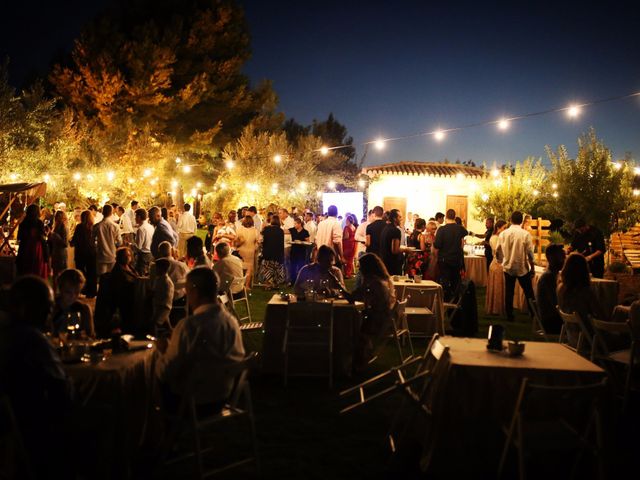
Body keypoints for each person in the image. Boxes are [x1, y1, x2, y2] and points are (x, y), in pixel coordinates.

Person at [0, 276, 74, 478]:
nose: (50, 313)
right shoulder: (34, 340)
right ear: (25, 307)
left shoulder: (7, 333)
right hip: (38, 429)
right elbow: (63, 393)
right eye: (46, 307)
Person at [155, 267, 245, 410]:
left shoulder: (189, 326)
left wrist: (162, 352)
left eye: (187, 290)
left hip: (193, 401)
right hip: (223, 396)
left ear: (195, 292)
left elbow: (165, 372)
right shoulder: (231, 321)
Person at [342, 253, 396, 371]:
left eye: (361, 267)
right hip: (386, 319)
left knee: (348, 328)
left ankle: (350, 364)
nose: (360, 269)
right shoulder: (384, 280)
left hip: (376, 323)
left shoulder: (372, 282)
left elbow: (353, 297)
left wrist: (338, 286)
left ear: (368, 268)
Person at [557, 253, 606, 345]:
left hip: (572, 337)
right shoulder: (585, 292)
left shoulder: (560, 288)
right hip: (590, 339)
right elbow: (602, 317)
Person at [495, 211, 535, 322]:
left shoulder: (503, 234)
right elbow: (530, 253)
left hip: (508, 267)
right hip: (522, 267)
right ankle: (533, 314)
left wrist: (501, 261)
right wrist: (533, 267)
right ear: (521, 221)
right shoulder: (525, 234)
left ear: (511, 220)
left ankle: (509, 315)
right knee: (529, 292)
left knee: (509, 291)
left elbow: (497, 251)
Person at [433, 209, 468, 300]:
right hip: (456, 259)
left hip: (444, 259)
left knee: (445, 280)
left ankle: (445, 300)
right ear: (455, 217)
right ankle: (455, 300)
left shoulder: (442, 229)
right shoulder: (460, 228)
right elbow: (466, 232)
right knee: (455, 280)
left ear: (446, 218)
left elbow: (437, 245)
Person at [51, 268, 95, 337]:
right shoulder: (51, 307)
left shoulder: (84, 309)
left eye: (76, 292)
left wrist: (83, 336)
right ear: (60, 289)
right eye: (68, 292)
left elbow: (90, 335)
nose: (73, 296)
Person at [535, 243, 566, 334]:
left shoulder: (552, 275)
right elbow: (556, 304)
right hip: (552, 322)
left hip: (553, 318)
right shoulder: (549, 277)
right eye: (562, 257)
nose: (564, 260)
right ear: (553, 258)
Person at [16, 204, 49, 279]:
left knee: (25, 268)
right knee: (35, 269)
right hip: (36, 248)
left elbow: (19, 237)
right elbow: (42, 236)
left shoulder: (23, 223)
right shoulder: (39, 223)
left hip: (24, 247)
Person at [110, 246, 138, 332]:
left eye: (129, 255)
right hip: (124, 298)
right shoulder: (118, 270)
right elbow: (120, 285)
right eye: (125, 256)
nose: (128, 257)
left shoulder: (129, 267)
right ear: (120, 257)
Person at [70, 210, 97, 297]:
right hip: (92, 253)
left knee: (80, 272)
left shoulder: (79, 227)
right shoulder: (94, 227)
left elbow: (74, 240)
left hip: (80, 253)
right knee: (92, 272)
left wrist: (70, 241)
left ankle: (83, 289)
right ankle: (92, 292)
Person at [485, 220, 508, 316]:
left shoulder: (499, 238)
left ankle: (499, 308)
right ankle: (496, 309)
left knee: (499, 287)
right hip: (497, 264)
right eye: (504, 228)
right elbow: (497, 252)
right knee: (497, 288)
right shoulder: (495, 238)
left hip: (498, 264)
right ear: (498, 228)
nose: (505, 230)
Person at [91, 204, 121, 276]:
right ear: (111, 213)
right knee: (111, 278)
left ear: (102, 212)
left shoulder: (97, 226)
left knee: (102, 278)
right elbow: (120, 242)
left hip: (101, 255)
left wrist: (97, 246)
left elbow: (92, 242)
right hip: (112, 255)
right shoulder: (115, 226)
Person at [259, 215, 286, 289]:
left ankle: (268, 285)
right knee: (276, 269)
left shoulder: (266, 229)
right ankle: (275, 284)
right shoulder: (281, 231)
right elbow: (282, 243)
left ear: (272, 221)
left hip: (268, 252)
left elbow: (262, 240)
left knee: (267, 268)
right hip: (278, 253)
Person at [152, 258, 174, 335]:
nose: (155, 270)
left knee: (154, 323)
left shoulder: (166, 281)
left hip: (164, 306)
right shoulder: (159, 279)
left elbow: (168, 296)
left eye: (157, 268)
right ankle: (173, 335)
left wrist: (162, 305)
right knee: (167, 325)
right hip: (159, 305)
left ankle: (155, 338)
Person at [235, 215, 259, 288]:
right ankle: (247, 286)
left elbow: (236, 240)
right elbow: (258, 241)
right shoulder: (255, 230)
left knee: (240, 268)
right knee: (249, 269)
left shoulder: (239, 229)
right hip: (250, 251)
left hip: (240, 250)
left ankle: (239, 285)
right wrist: (255, 248)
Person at [379, 209, 404, 276]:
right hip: (393, 264)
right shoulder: (395, 231)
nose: (401, 219)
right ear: (394, 218)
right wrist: (406, 250)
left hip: (384, 261)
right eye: (400, 217)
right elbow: (395, 250)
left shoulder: (385, 228)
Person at [48, 209, 69, 283]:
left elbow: (65, 243)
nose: (56, 217)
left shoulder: (63, 227)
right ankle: (54, 290)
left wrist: (55, 236)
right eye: (56, 216)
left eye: (58, 216)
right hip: (55, 252)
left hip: (61, 253)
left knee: (61, 273)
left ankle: (61, 290)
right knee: (55, 273)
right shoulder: (55, 226)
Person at [132, 207, 155, 275]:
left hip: (143, 256)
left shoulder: (141, 229)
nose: (135, 218)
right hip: (151, 254)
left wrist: (130, 245)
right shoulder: (150, 227)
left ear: (139, 217)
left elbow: (138, 246)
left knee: (141, 275)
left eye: (135, 216)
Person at [288, 216, 310, 284]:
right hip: (293, 251)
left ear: (299, 224)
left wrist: (301, 242)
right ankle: (292, 281)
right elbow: (285, 231)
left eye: (295, 224)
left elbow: (308, 242)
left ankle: (301, 281)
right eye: (294, 224)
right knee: (293, 266)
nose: (294, 225)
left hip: (301, 251)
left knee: (301, 266)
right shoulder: (292, 230)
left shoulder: (305, 232)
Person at [342, 214, 358, 278]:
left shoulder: (347, 227)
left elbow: (346, 236)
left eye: (346, 220)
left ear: (348, 220)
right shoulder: (354, 227)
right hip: (353, 244)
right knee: (350, 259)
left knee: (346, 259)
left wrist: (341, 238)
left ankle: (346, 274)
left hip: (347, 244)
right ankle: (349, 273)